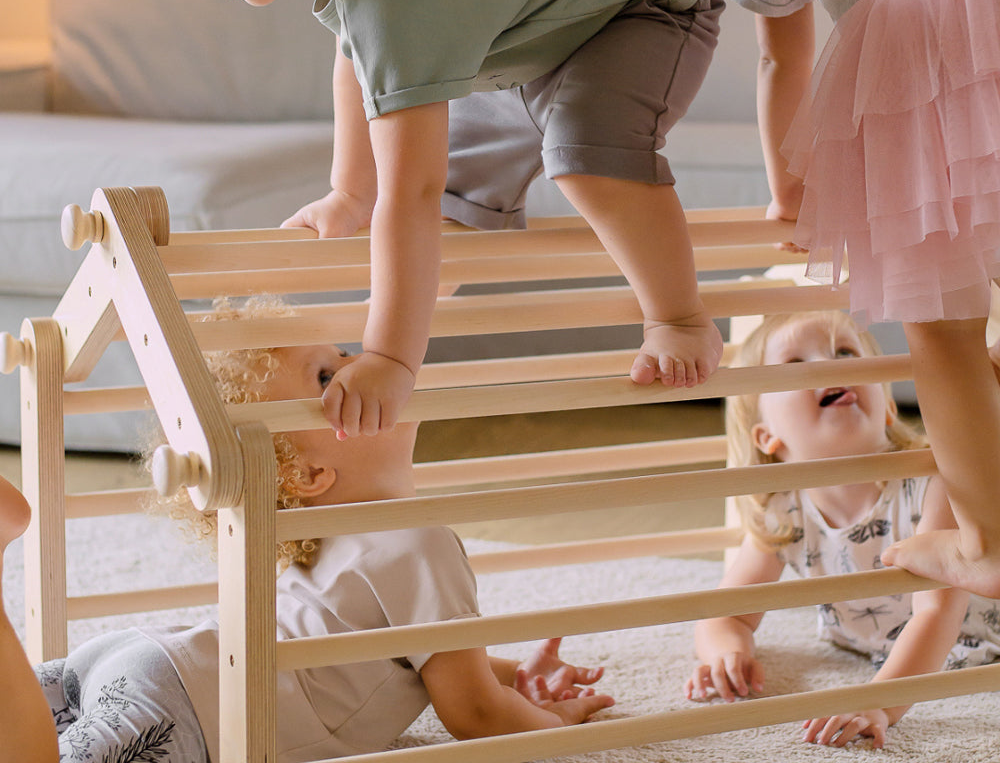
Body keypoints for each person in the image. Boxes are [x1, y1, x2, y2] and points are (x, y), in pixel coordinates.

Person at [103, 0, 727, 442]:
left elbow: (412, 189)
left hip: (641, 7)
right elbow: (359, 51)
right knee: (458, 215)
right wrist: (349, 192)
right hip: (521, 48)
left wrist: (391, 359)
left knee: (581, 158)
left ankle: (680, 317)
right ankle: (432, 281)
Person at [0, 296, 613, 763]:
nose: (359, 366)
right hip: (192, 707)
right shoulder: (416, 540)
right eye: (326, 377)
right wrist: (560, 727)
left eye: (343, 354)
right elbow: (474, 713)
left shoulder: (332, 543)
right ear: (311, 472)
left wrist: (518, 680)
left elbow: (422, 662)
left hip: (157, 666)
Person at [719, 0, 1000, 598]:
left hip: (925, 41)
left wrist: (789, 183)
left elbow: (781, 54)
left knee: (943, 327)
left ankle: (986, 544)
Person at [684, 310, 1000, 748]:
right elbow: (728, 614)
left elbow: (936, 612)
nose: (832, 366)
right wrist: (728, 654)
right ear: (766, 437)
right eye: (795, 364)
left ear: (888, 407)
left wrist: (880, 702)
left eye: (846, 353)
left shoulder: (935, 485)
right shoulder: (786, 513)